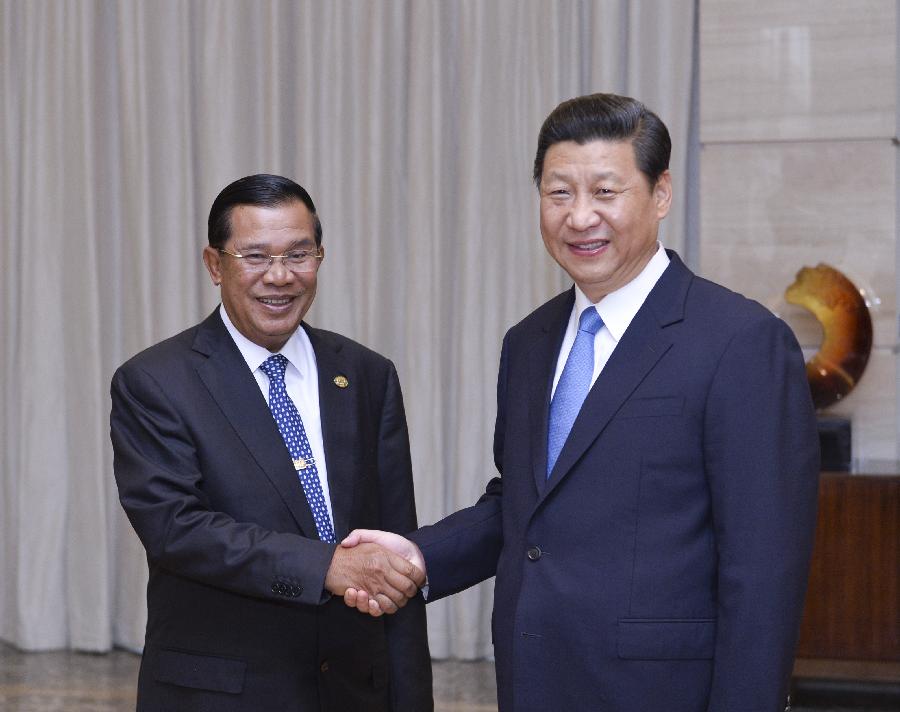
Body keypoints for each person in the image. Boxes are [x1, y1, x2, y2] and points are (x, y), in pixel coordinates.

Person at [343, 94, 820, 712]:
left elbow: (764, 568)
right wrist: (420, 554)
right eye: (559, 192)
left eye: (605, 191)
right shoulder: (530, 341)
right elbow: (525, 504)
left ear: (661, 194)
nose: (579, 217)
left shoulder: (740, 341)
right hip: (533, 680)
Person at [110, 174, 432, 712]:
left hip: (355, 689)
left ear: (320, 258)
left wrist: (410, 696)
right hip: (221, 692)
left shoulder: (366, 374)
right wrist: (326, 566)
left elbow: (393, 544)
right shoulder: (156, 381)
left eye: (298, 255)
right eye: (255, 257)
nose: (280, 277)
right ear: (215, 266)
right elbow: (176, 529)